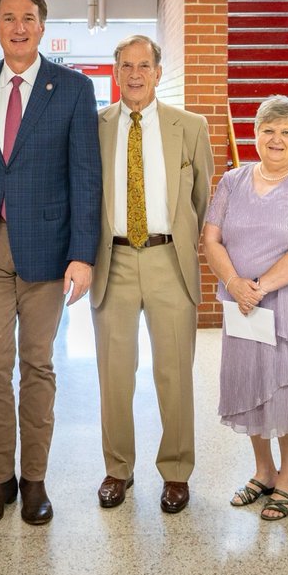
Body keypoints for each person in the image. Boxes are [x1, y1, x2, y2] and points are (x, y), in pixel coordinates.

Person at [0, 0, 101, 528]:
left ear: (43, 27)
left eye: (30, 17)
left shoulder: (72, 88)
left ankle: (35, 478)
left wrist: (82, 254)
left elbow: (86, 176)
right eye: (8, 17)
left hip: (47, 250)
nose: (19, 26)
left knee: (37, 366)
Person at [90, 35, 212, 514]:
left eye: (144, 65)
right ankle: (118, 469)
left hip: (168, 259)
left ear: (159, 72)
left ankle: (177, 471)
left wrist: (180, 239)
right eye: (126, 66)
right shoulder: (95, 127)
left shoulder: (191, 126)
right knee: (115, 374)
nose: (135, 74)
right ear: (115, 72)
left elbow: (202, 196)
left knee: (174, 371)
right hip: (114, 260)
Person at [202, 97, 288, 521]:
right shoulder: (232, 181)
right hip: (243, 305)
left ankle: (287, 480)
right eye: (268, 130)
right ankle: (262, 471)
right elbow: (211, 239)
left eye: (286, 132)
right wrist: (235, 285)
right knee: (251, 380)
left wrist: (258, 288)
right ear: (255, 133)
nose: (275, 139)